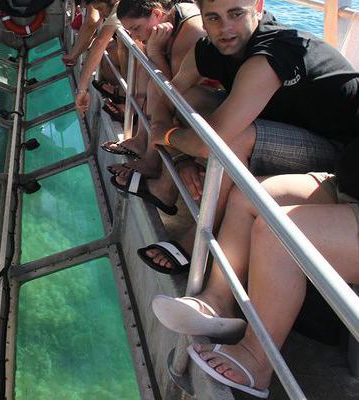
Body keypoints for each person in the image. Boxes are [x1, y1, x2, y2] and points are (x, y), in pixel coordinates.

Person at [122, 0, 359, 273]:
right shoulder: (209, 48)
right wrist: (175, 146)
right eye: (213, 18)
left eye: (236, 14)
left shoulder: (272, 52)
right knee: (193, 101)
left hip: (343, 151)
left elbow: (212, 143)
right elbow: (173, 93)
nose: (225, 29)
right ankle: (166, 189)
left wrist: (167, 137)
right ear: (203, 18)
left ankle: (198, 239)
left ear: (258, 9)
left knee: (234, 137)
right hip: (295, 132)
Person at [149, 139, 359, 398]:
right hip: (346, 184)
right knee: (246, 196)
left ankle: (257, 359)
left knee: (278, 233)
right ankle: (218, 300)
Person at [102, 0, 205, 180]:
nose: (134, 36)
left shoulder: (189, 31)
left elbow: (172, 91)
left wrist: (155, 51)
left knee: (155, 86)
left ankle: (152, 160)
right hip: (188, 94)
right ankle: (142, 139)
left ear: (157, 14)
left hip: (205, 99)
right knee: (145, 74)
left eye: (136, 28)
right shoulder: (168, 19)